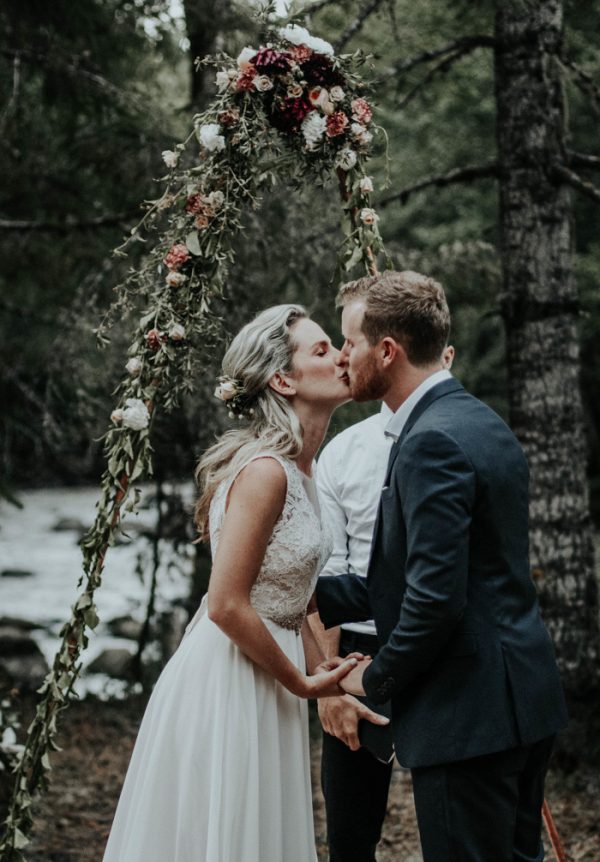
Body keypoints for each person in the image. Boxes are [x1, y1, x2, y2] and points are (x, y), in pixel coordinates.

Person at [315, 271, 568, 862]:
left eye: (350, 342)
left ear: (387, 350)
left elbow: (434, 601)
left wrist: (372, 678)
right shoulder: (479, 420)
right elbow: (442, 576)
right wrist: (308, 596)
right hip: (520, 700)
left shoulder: (430, 441)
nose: (343, 355)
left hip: (469, 717)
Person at [103, 304, 361, 862]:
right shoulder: (266, 471)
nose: (342, 354)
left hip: (271, 667)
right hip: (232, 677)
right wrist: (300, 682)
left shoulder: (303, 471)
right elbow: (224, 604)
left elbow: (290, 597)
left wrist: (327, 671)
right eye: (321, 349)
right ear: (282, 380)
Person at [311, 344, 454, 862]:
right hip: (356, 657)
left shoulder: (462, 438)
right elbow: (327, 577)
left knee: (460, 832)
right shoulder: (343, 451)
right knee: (350, 836)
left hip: (446, 659)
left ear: (449, 358)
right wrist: (328, 690)